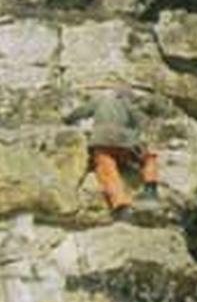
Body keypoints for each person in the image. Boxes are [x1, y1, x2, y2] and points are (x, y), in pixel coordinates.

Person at [68, 85, 161, 217]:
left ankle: (121, 205)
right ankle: (151, 188)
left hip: (102, 141)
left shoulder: (100, 99)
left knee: (106, 169)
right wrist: (137, 137)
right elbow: (142, 122)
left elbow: (81, 111)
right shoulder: (129, 104)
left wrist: (67, 119)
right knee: (148, 157)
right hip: (125, 144)